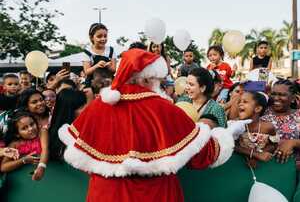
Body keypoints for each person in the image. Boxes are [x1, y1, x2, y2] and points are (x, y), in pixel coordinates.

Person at [58, 48, 246, 202]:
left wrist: (109, 167)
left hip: (106, 194)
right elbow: (204, 155)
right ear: (148, 77)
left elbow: (81, 157)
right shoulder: (164, 108)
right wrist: (228, 134)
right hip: (158, 194)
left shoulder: (98, 106)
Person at [261, 79, 300, 166]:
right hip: (264, 167)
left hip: (294, 169)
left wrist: (293, 142)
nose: (276, 98)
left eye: (282, 95)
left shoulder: (298, 115)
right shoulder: (260, 111)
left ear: (293, 98)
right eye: (273, 94)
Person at [1, 111, 48, 181]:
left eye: (32, 124)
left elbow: (45, 149)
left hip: (46, 172)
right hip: (24, 178)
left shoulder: (42, 132)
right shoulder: (14, 144)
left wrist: (41, 166)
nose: (30, 129)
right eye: (24, 128)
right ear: (17, 134)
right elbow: (3, 167)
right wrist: (23, 160)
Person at [235, 91, 276, 168]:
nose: (240, 104)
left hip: (261, 166)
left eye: (245, 102)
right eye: (239, 102)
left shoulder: (268, 127)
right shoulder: (234, 125)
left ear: (257, 108)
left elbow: (274, 145)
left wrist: (260, 155)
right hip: (238, 163)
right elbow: (232, 146)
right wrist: (254, 154)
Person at [49, 89, 87, 160]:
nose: (86, 109)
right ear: (68, 111)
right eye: (81, 107)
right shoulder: (50, 135)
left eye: (85, 104)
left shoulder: (88, 127)